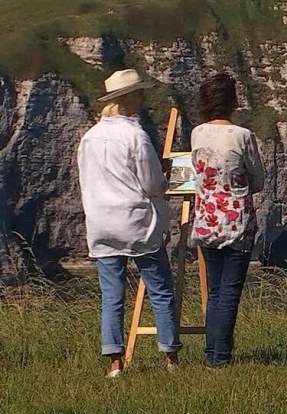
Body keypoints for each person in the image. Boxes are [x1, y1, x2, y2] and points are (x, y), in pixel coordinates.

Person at [77, 69, 181, 377]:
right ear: (128, 99)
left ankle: (115, 363)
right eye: (139, 93)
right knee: (160, 289)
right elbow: (152, 185)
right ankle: (170, 358)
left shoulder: (89, 137)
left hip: (101, 223)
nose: (143, 98)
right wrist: (166, 173)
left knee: (112, 296)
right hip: (136, 224)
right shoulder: (135, 135)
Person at [190, 73, 265, 368]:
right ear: (232, 101)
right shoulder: (241, 136)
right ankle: (220, 356)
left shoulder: (197, 134)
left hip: (206, 220)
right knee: (229, 290)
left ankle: (212, 352)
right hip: (236, 222)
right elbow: (257, 179)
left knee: (215, 289)